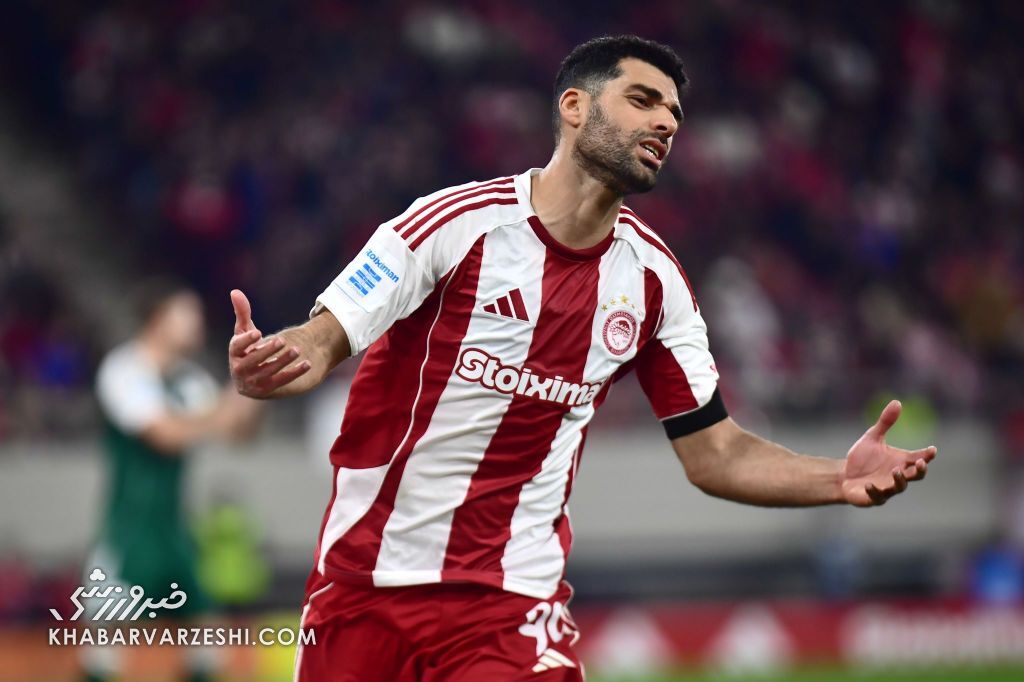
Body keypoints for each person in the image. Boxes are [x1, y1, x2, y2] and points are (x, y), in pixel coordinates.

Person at [227, 35, 937, 681]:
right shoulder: (452, 225)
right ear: (574, 107)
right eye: (643, 100)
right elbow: (326, 335)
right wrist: (282, 358)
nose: (666, 123)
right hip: (361, 592)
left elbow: (715, 454)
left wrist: (837, 478)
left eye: (674, 113)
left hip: (509, 605)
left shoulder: (655, 284)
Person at [87, 280, 260, 682]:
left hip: (175, 530)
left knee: (207, 645)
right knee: (104, 652)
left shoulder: (188, 380)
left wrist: (254, 382)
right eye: (186, 312)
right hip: (128, 532)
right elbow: (163, 435)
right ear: (158, 318)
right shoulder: (123, 369)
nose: (196, 321)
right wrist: (222, 411)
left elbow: (240, 434)